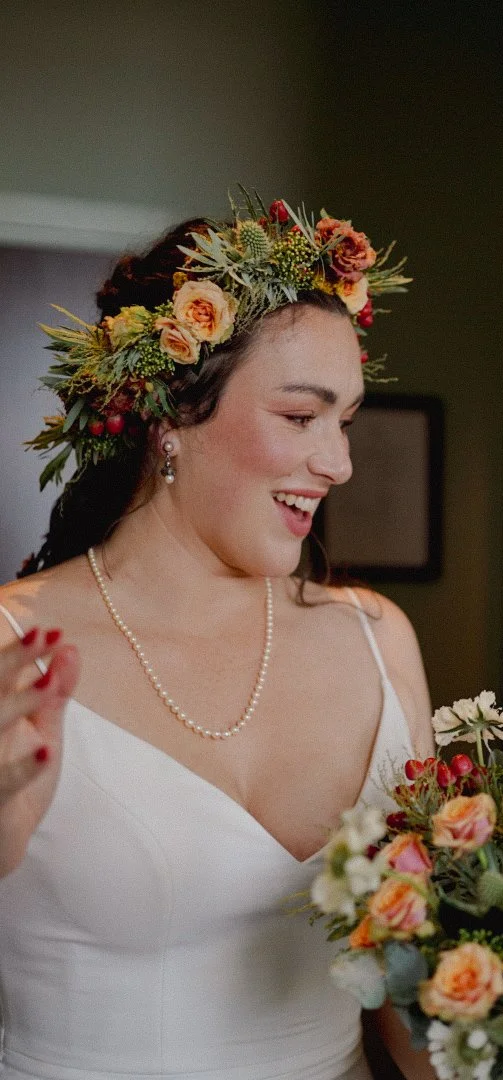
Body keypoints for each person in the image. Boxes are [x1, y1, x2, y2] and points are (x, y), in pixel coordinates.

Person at [0, 192, 437, 1079]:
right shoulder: (14, 648)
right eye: (299, 416)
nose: (340, 462)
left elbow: (411, 1000)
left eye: (344, 422)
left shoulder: (378, 640)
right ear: (170, 413)